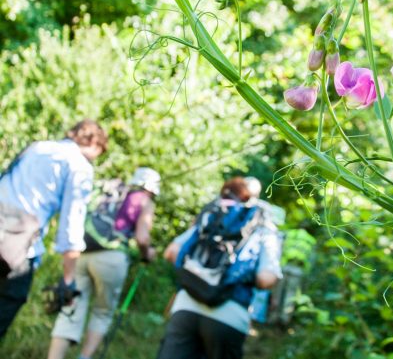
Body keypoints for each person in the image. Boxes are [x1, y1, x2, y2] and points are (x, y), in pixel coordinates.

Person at [0, 119, 108, 339]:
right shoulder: (79, 166)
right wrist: (68, 279)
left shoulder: (39, 147)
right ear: (94, 143)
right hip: (17, 251)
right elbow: (72, 225)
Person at [158, 176, 282, 359]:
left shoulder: (213, 214)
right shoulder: (264, 224)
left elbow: (171, 252)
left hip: (186, 305)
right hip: (230, 315)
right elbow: (266, 278)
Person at [47, 167, 161, 359]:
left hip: (83, 251)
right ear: (153, 188)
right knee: (102, 311)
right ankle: (84, 357)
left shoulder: (113, 191)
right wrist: (147, 254)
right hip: (112, 258)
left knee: (72, 305)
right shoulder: (145, 201)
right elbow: (142, 238)